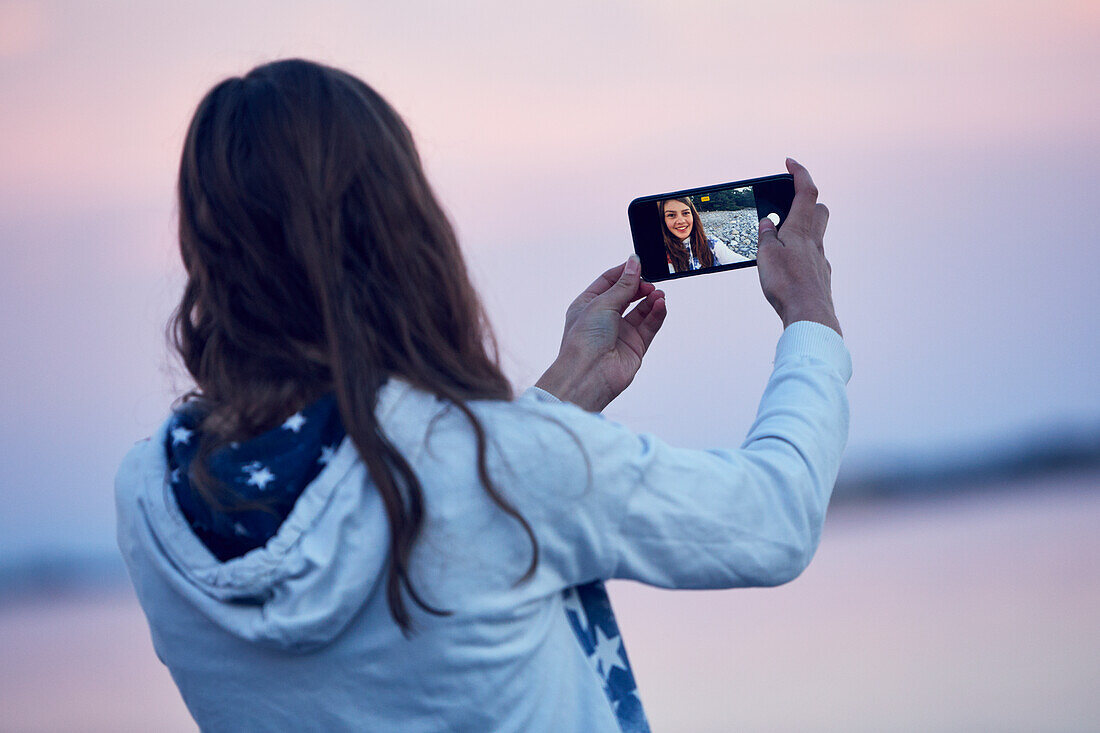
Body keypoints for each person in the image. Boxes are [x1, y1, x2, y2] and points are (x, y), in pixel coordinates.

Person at [115, 58, 848, 733]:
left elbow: (415, 502)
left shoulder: (150, 500)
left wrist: (563, 395)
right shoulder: (498, 463)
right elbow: (774, 517)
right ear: (399, 227)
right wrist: (809, 317)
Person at [659, 196, 749, 273]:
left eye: (685, 213)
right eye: (671, 215)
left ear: (693, 215)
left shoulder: (711, 243)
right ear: (663, 219)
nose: (681, 221)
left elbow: (739, 262)